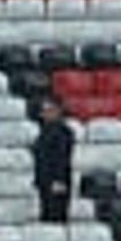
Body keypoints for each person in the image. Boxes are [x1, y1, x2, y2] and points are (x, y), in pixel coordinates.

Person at [31, 96, 77, 224]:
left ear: (58, 111)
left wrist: (59, 180)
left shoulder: (63, 132)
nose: (45, 114)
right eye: (44, 111)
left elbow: (62, 158)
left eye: (49, 110)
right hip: (44, 182)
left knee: (56, 216)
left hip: (56, 182)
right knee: (46, 215)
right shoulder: (44, 131)